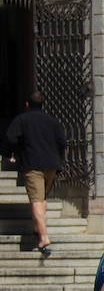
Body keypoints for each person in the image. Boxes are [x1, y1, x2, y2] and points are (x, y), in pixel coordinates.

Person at [5, 91, 67, 256]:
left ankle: (44, 237)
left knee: (36, 201)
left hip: (33, 165)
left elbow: (11, 138)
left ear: (27, 105)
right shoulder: (52, 121)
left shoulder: (22, 120)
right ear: (43, 105)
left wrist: (15, 152)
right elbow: (62, 141)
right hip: (52, 165)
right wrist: (58, 159)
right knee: (43, 197)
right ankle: (36, 226)